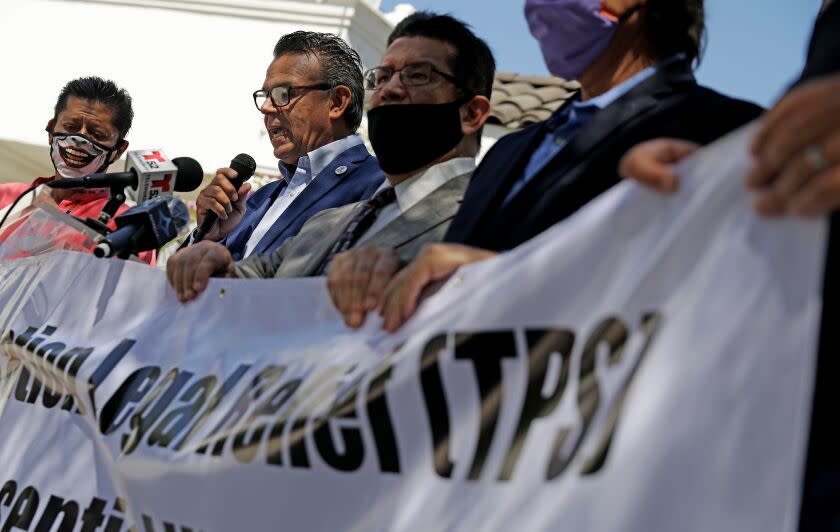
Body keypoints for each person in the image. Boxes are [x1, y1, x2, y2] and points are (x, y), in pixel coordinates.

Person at [326, 0, 764, 331]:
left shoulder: (725, 134)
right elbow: (452, 276)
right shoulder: (509, 151)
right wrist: (390, 276)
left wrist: (510, 281)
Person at [166, 12, 494, 305]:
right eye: (382, 77)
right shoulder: (327, 224)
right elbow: (238, 281)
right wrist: (207, 248)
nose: (390, 89)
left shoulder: (495, 210)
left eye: (418, 75)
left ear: (471, 113)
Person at [186, 31, 383, 261]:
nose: (266, 108)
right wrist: (209, 237)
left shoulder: (378, 187)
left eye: (282, 94)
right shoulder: (257, 200)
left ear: (337, 102)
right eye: (265, 95)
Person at [0, 76, 154, 264]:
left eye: (97, 134)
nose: (79, 140)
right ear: (51, 128)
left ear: (118, 150)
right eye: (70, 127)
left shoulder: (126, 227)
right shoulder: (7, 197)